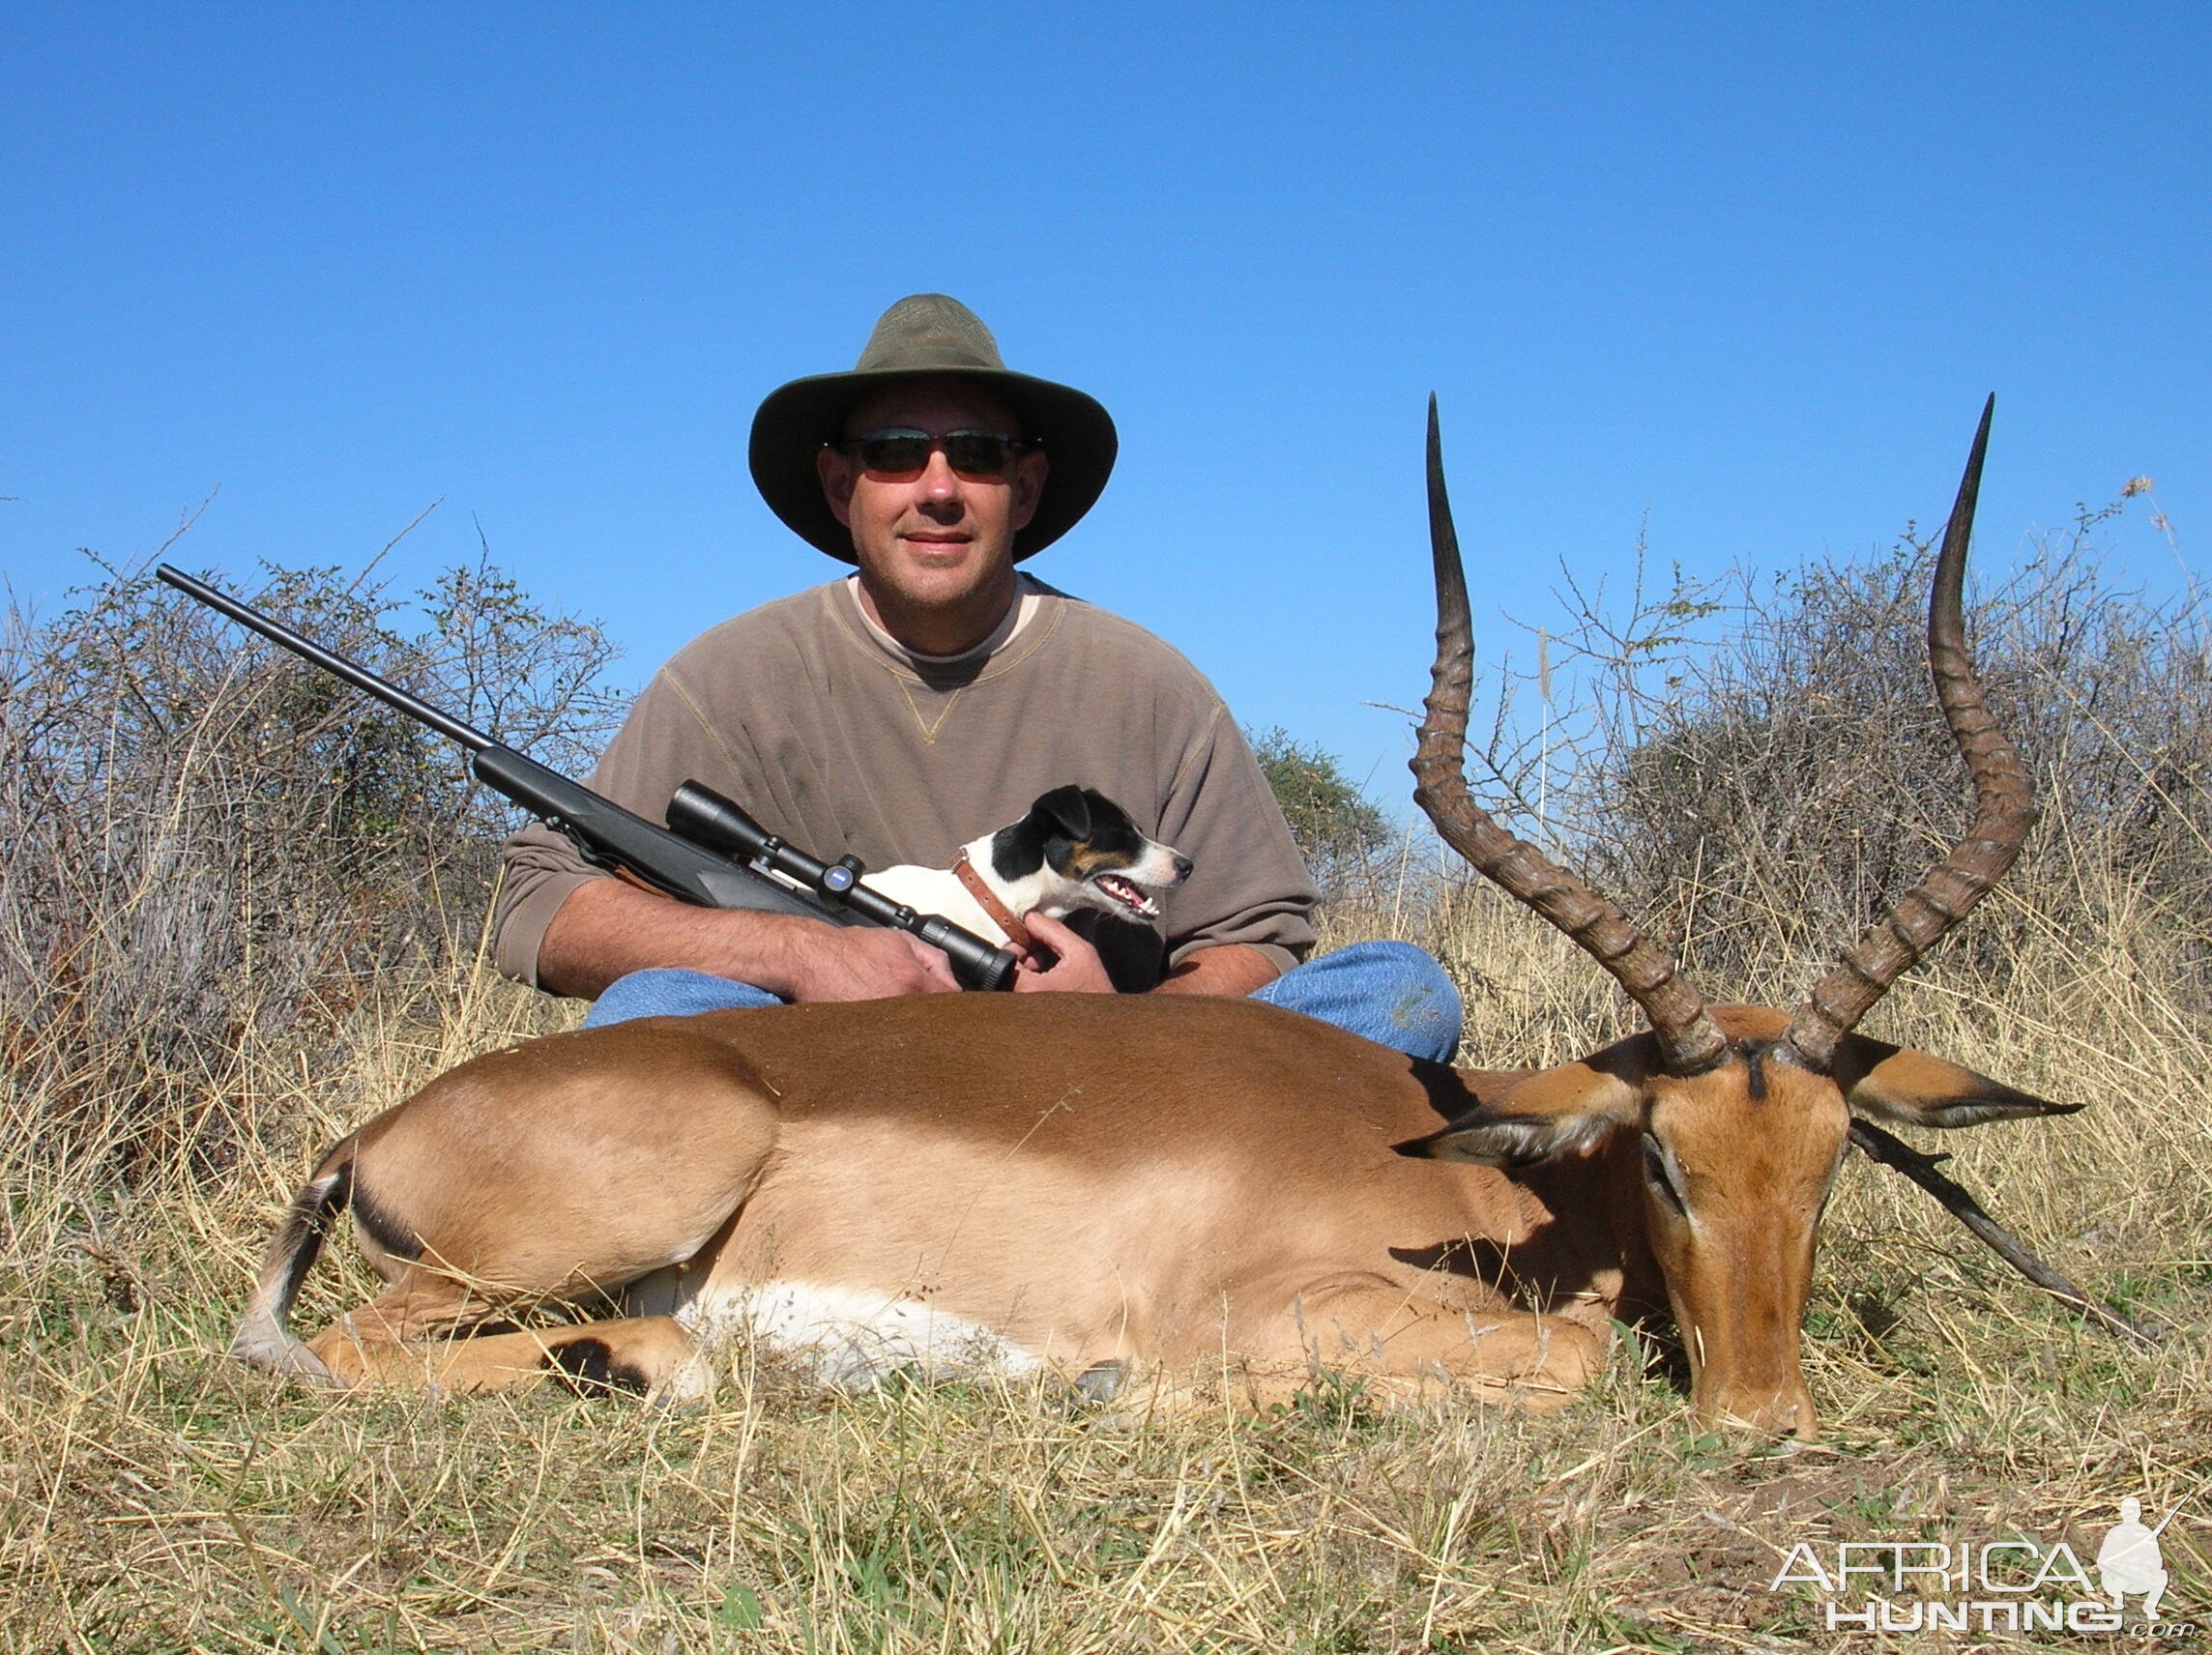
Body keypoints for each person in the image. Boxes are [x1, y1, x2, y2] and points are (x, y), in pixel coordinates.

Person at [492, 294, 1462, 1060]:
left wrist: (1129, 1029)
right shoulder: (729, 677)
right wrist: (794, 949)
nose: (940, 487)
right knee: (656, 1005)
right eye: (895, 453)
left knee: (1397, 987)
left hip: (1113, 1090)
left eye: (981, 455)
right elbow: (538, 902)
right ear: (842, 486)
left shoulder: (1146, 680)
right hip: (836, 1085)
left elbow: (1261, 934)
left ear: (1025, 487)